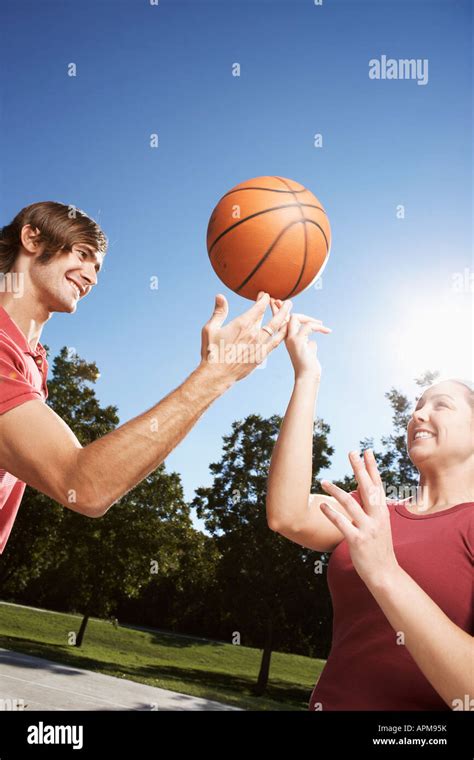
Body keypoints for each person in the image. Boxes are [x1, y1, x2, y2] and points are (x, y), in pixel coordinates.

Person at [0, 200, 298, 555]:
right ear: (32, 239)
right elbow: (81, 483)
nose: (92, 277)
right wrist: (217, 374)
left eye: (97, 267)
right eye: (82, 254)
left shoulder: (32, 361)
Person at [266, 297, 473, 711]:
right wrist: (307, 376)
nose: (418, 414)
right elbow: (286, 514)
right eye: (416, 406)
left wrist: (383, 571)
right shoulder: (374, 510)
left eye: (440, 405)